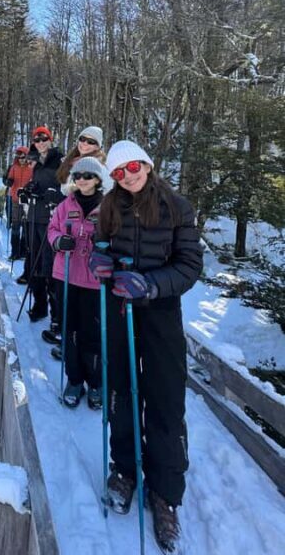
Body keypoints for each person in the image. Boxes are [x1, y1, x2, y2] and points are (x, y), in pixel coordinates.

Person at [89, 140, 203, 554]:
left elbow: (190, 265)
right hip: (120, 310)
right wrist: (99, 266)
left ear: (148, 165)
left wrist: (153, 285)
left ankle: (165, 492)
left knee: (165, 401)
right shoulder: (109, 206)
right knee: (120, 391)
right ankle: (124, 469)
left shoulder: (177, 206)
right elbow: (99, 249)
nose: (128, 176)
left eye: (133, 167)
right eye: (118, 172)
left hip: (159, 314)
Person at [47, 156, 104, 409]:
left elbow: (117, 235)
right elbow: (52, 229)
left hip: (93, 280)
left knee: (91, 334)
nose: (82, 181)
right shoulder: (65, 204)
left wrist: (104, 246)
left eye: (88, 176)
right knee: (70, 332)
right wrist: (59, 241)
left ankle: (95, 382)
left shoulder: (107, 206)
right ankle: (74, 379)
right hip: (66, 275)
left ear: (98, 179)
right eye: (78, 176)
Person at [20, 125, 63, 323]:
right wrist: (28, 190)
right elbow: (37, 184)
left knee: (49, 265)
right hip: (34, 217)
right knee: (34, 261)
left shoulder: (59, 161)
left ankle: (57, 315)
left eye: (44, 138)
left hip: (51, 219)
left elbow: (67, 190)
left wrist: (51, 195)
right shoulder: (35, 163)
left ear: (50, 139)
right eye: (37, 140)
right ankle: (39, 307)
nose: (41, 143)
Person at [56, 126, 113, 194]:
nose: (85, 143)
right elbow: (63, 187)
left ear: (97, 147)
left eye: (91, 141)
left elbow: (108, 189)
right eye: (82, 139)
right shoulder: (70, 160)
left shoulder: (99, 165)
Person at [2, 146, 34, 262]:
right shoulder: (14, 167)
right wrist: (8, 181)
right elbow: (8, 179)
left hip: (27, 201)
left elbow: (35, 181)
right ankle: (14, 252)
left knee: (25, 227)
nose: (21, 159)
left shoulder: (31, 168)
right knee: (15, 226)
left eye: (23, 157)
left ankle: (23, 252)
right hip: (15, 199)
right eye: (19, 157)